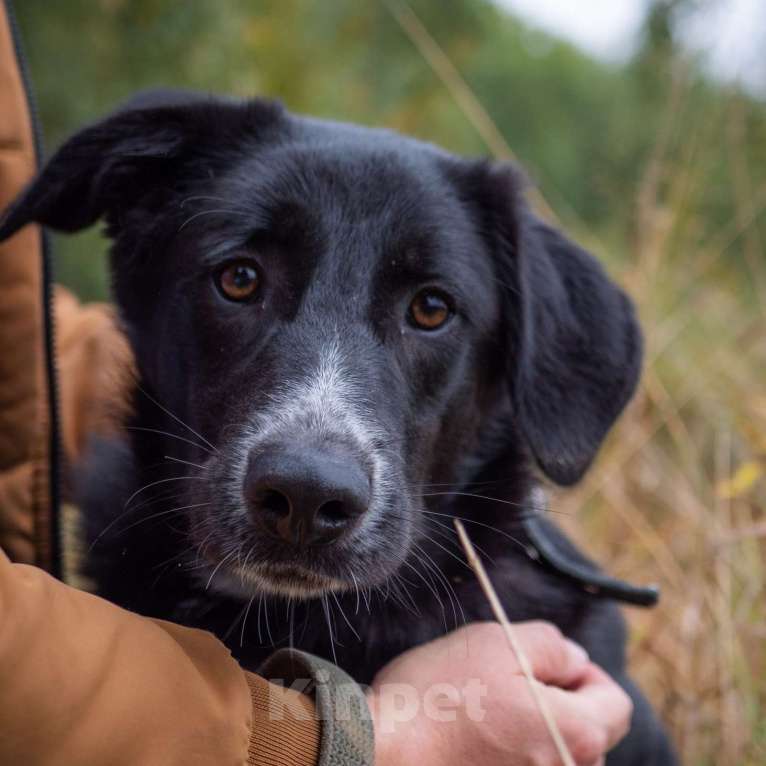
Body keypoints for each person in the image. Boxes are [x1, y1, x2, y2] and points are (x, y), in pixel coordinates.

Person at [0, 1, 632, 763]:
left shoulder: (537, 691)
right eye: (240, 280)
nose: (313, 466)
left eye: (430, 308)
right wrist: (389, 737)